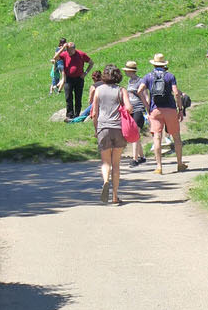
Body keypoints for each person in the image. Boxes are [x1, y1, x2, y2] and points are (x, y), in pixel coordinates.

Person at [141, 53, 188, 174]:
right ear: (164, 64)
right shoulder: (170, 76)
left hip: (155, 110)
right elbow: (176, 93)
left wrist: (147, 105)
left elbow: (139, 90)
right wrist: (180, 109)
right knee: (176, 137)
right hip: (170, 109)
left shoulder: (148, 76)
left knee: (157, 137)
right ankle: (179, 164)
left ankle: (159, 167)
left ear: (154, 64)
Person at [90, 63, 129, 204]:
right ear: (118, 75)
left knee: (106, 162)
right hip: (118, 128)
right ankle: (114, 196)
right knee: (116, 164)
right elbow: (129, 108)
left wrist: (96, 130)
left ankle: (106, 180)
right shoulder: (121, 90)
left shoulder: (98, 90)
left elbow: (94, 113)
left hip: (103, 127)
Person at [55, 40, 92, 121]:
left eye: (70, 50)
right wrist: (62, 49)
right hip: (68, 78)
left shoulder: (81, 54)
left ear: (74, 49)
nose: (68, 52)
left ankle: (77, 114)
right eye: (67, 50)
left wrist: (85, 73)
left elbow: (91, 63)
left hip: (79, 78)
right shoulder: (65, 54)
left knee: (78, 97)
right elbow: (55, 57)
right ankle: (69, 115)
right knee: (68, 96)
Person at [122, 60, 148, 166]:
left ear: (130, 71)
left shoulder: (140, 81)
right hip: (131, 110)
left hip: (139, 109)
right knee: (135, 134)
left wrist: (148, 110)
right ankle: (142, 157)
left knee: (135, 134)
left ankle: (135, 159)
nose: (125, 72)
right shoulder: (130, 82)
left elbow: (146, 96)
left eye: (126, 70)